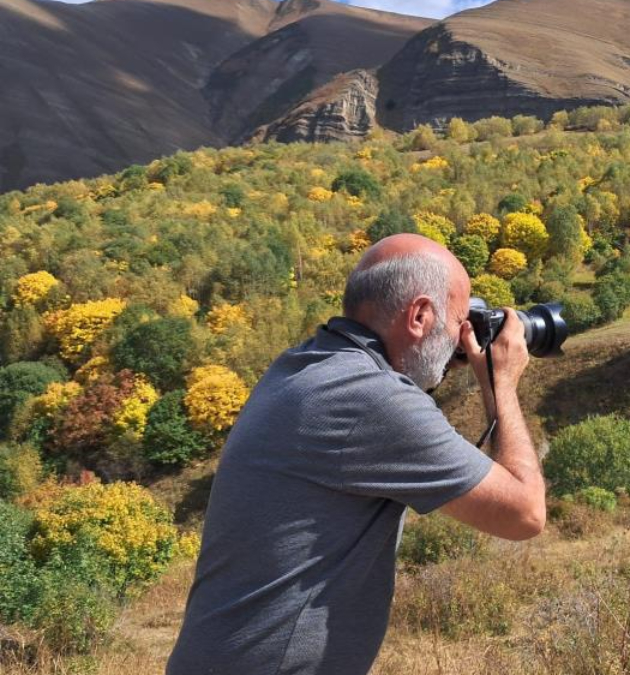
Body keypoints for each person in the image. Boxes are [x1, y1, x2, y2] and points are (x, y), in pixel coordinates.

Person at [166, 234, 545, 675]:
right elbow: (525, 514)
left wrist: (431, 364)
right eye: (458, 321)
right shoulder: (370, 399)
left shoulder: (306, 365)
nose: (461, 338)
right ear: (420, 315)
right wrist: (501, 383)